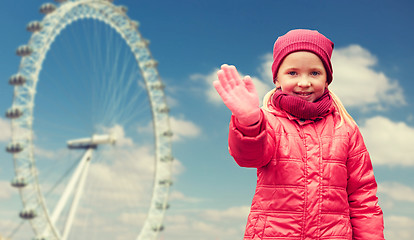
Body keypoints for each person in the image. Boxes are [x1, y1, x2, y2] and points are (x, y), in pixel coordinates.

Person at [213, 29, 384, 240]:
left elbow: (363, 198)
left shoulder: (345, 129)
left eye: (314, 73)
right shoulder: (269, 122)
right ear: (277, 79)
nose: (304, 82)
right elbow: (249, 156)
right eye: (292, 73)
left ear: (327, 79)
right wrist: (249, 121)